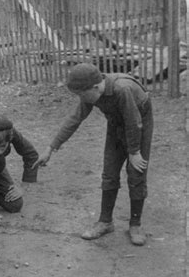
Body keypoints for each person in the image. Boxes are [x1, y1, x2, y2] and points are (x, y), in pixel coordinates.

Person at [34, 63, 153, 246]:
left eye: (82, 95)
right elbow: (74, 119)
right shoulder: (91, 91)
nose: (81, 98)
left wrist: (134, 152)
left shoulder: (122, 90)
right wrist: (51, 148)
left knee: (136, 172)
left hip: (139, 124)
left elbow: (133, 122)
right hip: (116, 123)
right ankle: (105, 222)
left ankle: (135, 224)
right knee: (109, 172)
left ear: (96, 87)